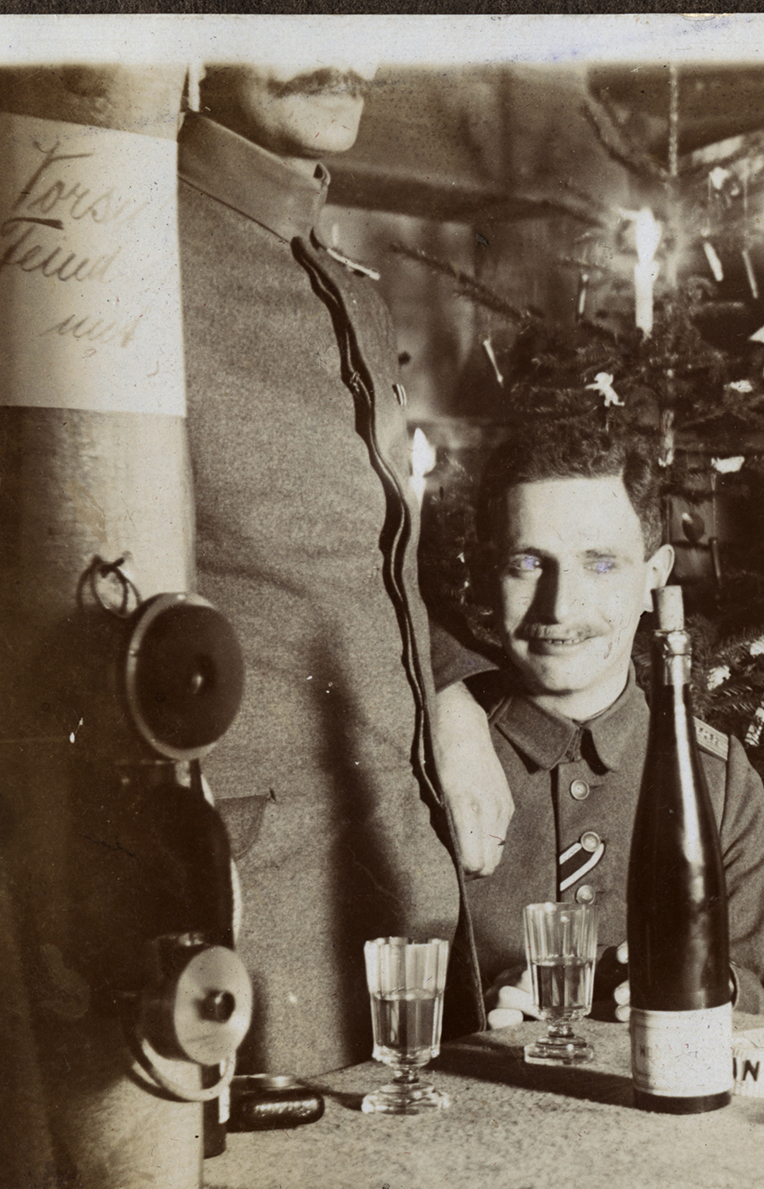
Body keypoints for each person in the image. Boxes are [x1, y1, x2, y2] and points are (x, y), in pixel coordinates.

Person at [179, 60, 514, 1073]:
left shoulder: (342, 284)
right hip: (255, 893)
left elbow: (355, 564)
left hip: (399, 859)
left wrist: (451, 692)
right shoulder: (129, 252)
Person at [457, 427, 764, 1025]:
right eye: (528, 564)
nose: (560, 607)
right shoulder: (446, 758)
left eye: (600, 564)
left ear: (654, 577)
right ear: (485, 573)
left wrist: (711, 984)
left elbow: (754, 984)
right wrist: (476, 1011)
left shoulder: (721, 779)